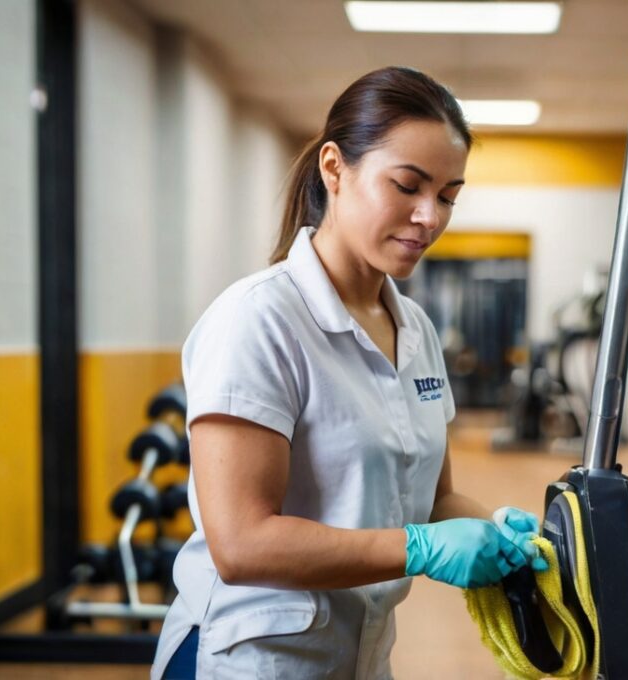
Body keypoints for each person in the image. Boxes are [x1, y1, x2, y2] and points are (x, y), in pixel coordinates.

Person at [151, 66, 547, 680]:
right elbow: (241, 544)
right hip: (250, 660)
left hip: (360, 655)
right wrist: (418, 549)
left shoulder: (415, 329)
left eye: (447, 196)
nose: (429, 217)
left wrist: (493, 532)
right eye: (407, 186)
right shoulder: (258, 320)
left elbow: (436, 499)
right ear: (334, 168)